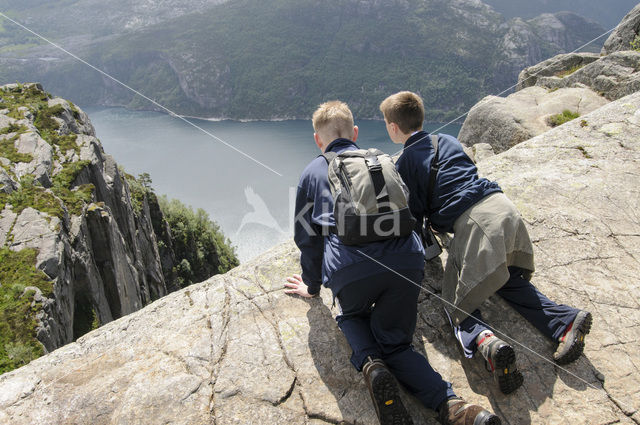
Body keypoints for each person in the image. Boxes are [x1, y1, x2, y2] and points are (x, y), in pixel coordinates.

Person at [284, 100, 501, 425]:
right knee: (397, 343)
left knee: (349, 314)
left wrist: (312, 287)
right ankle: (453, 407)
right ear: (355, 133)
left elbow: (307, 239)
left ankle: (372, 364)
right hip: (406, 262)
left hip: (351, 269)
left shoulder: (312, 172)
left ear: (318, 140)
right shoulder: (380, 161)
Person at [379, 91, 593, 395]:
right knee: (501, 280)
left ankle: (488, 345)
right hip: (504, 209)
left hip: (477, 224)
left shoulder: (407, 160)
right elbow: (460, 178)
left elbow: (411, 217)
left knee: (456, 303)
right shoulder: (447, 141)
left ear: (392, 127)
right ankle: (566, 321)